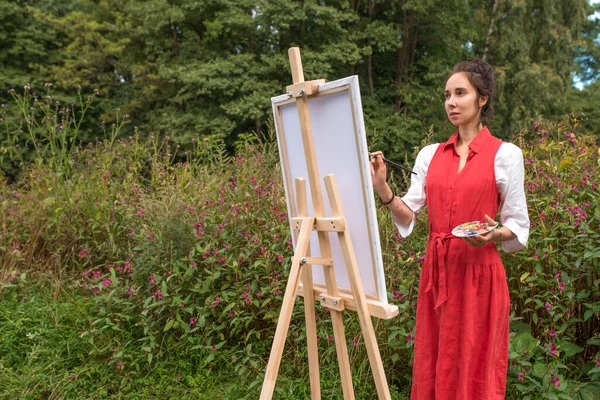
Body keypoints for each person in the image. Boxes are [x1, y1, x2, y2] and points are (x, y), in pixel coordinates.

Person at [370, 59, 530, 399]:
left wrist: (493, 234)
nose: (451, 102)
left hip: (480, 275)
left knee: (475, 363)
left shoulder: (506, 155)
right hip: (438, 273)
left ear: (482, 99)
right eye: (447, 95)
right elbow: (408, 213)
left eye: (461, 93)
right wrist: (383, 188)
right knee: (434, 360)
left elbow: (517, 224)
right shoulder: (430, 155)